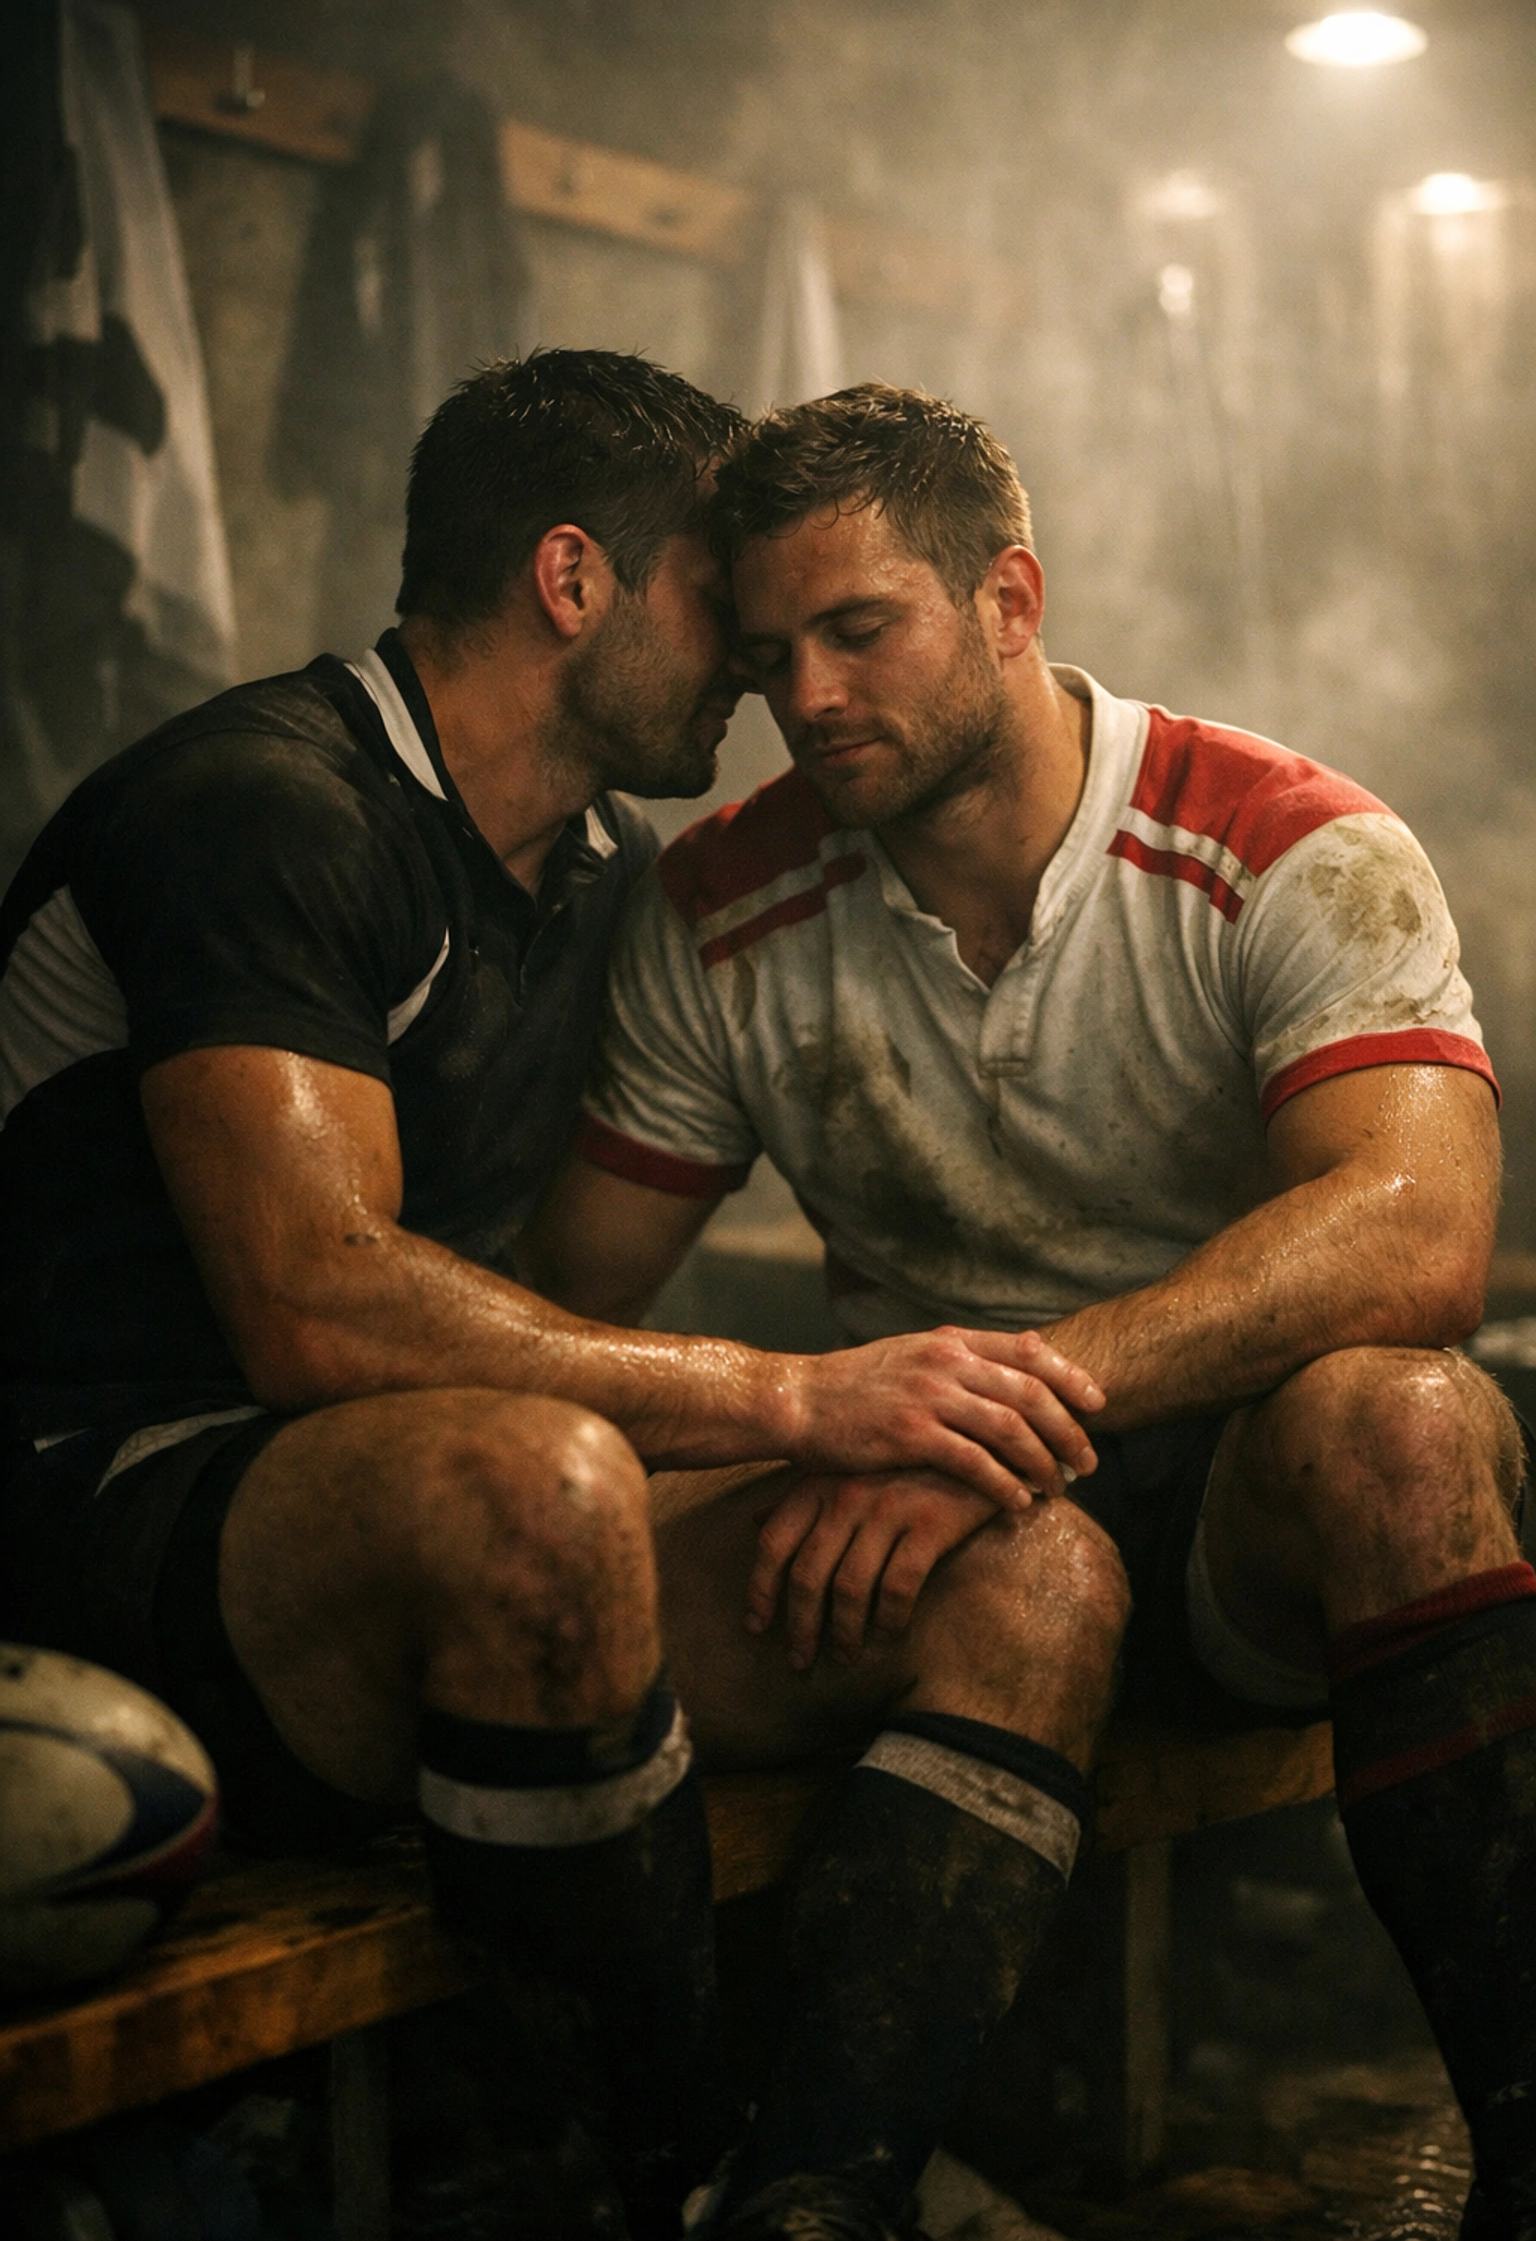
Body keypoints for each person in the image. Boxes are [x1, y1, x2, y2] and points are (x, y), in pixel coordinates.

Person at [0, 352, 1107, 2241]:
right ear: (574, 582)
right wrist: (788, 1400)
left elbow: (545, 1283)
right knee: (543, 1489)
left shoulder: (606, 872)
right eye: (722, 607)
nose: (765, 667)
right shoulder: (270, 807)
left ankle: (813, 2190)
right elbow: (318, 1308)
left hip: (395, 1506)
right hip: (90, 1499)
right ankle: (634, 2179)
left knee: (1027, 1566)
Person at [526, 382, 1536, 2241]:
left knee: (1412, 1417)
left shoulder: (1292, 840)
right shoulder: (719, 904)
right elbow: (571, 1316)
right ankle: (812, 2200)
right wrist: (805, 1418)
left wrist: (1004, 1409)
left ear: (1009, 601)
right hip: (938, 1550)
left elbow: (1419, 1240)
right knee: (1026, 1572)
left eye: (861, 630)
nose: (812, 697)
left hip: (1240, 1520)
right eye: (768, 656)